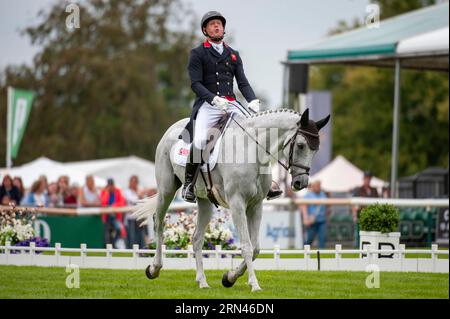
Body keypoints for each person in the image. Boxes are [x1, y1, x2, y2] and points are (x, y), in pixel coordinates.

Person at [180, 11, 282, 203]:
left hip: (231, 104)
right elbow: (195, 84)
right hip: (208, 106)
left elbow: (242, 82)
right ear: (205, 30)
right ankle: (188, 185)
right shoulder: (198, 53)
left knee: (256, 134)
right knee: (202, 140)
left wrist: (252, 100)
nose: (217, 26)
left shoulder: (233, 55)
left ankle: (267, 183)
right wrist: (213, 99)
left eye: (219, 24)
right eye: (212, 24)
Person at [352, 170, 379, 246]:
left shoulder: (374, 190)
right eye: (366, 178)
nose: (368, 180)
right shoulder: (358, 190)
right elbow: (354, 204)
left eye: (369, 178)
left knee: (371, 235)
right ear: (363, 179)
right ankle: (357, 250)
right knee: (358, 235)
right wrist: (354, 215)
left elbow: (377, 202)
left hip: (372, 216)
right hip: (360, 215)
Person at [300, 180, 329, 249]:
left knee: (322, 238)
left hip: (322, 220)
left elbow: (327, 205)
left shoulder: (323, 194)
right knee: (310, 238)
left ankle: (321, 253)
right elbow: (303, 206)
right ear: (313, 186)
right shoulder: (308, 195)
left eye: (319, 186)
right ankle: (305, 250)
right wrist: (306, 217)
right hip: (311, 220)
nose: (318, 187)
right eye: (317, 186)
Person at [100, 178, 127, 248]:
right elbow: (103, 203)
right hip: (106, 217)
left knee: (119, 229)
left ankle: (114, 244)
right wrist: (107, 193)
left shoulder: (118, 191)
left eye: (112, 185)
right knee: (106, 233)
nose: (111, 187)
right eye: (109, 185)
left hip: (116, 216)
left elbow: (122, 202)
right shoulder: (104, 191)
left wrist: (113, 206)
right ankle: (107, 247)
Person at [123, 175, 147, 249]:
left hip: (139, 218)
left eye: (135, 182)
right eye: (132, 182)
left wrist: (140, 195)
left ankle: (141, 251)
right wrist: (140, 195)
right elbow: (132, 200)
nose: (134, 183)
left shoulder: (139, 190)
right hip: (131, 218)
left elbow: (144, 200)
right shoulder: (127, 191)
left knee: (140, 237)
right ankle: (131, 251)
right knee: (132, 237)